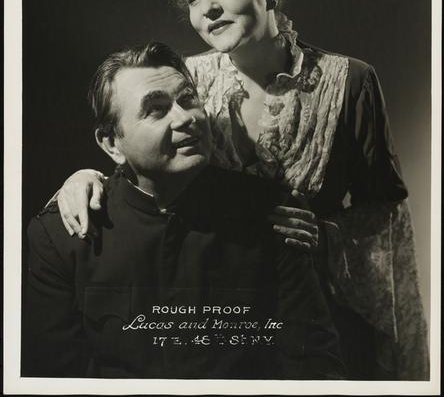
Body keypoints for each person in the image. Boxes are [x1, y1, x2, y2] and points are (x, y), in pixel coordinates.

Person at [50, 0, 428, 380]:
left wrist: (324, 235)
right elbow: (142, 165)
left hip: (318, 314)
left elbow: (386, 219)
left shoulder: (350, 81)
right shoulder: (184, 81)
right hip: (216, 310)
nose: (207, 9)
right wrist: (85, 177)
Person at [23, 42, 344, 379]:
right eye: (156, 109)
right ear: (112, 143)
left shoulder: (273, 215)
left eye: (188, 99)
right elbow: (55, 375)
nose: (185, 118)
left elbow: (313, 364)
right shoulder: (61, 235)